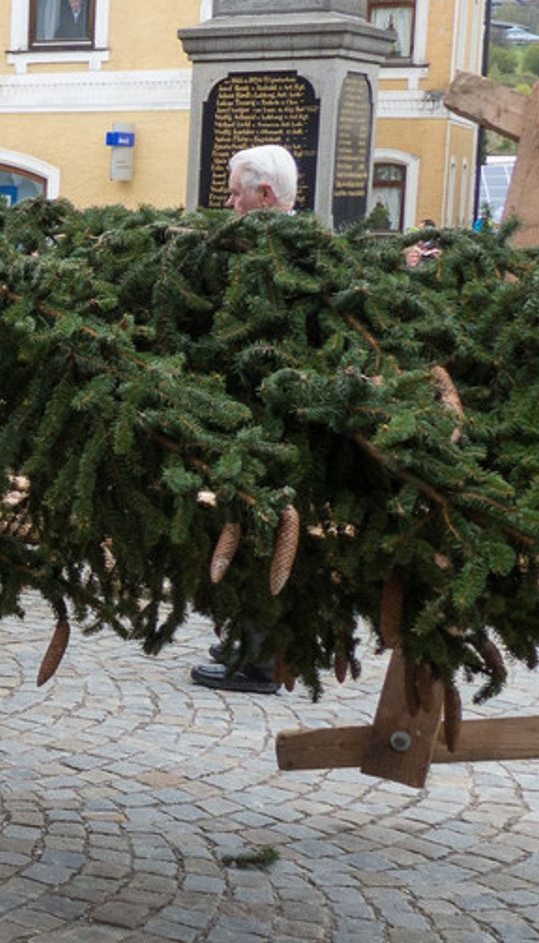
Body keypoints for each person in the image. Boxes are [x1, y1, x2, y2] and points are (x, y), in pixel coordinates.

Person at [189, 143, 298, 695]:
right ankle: (244, 639)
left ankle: (257, 661)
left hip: (270, 424)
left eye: (235, 193)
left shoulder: (283, 259)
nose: (228, 204)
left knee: (261, 529)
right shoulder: (261, 247)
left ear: (264, 194)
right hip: (251, 417)